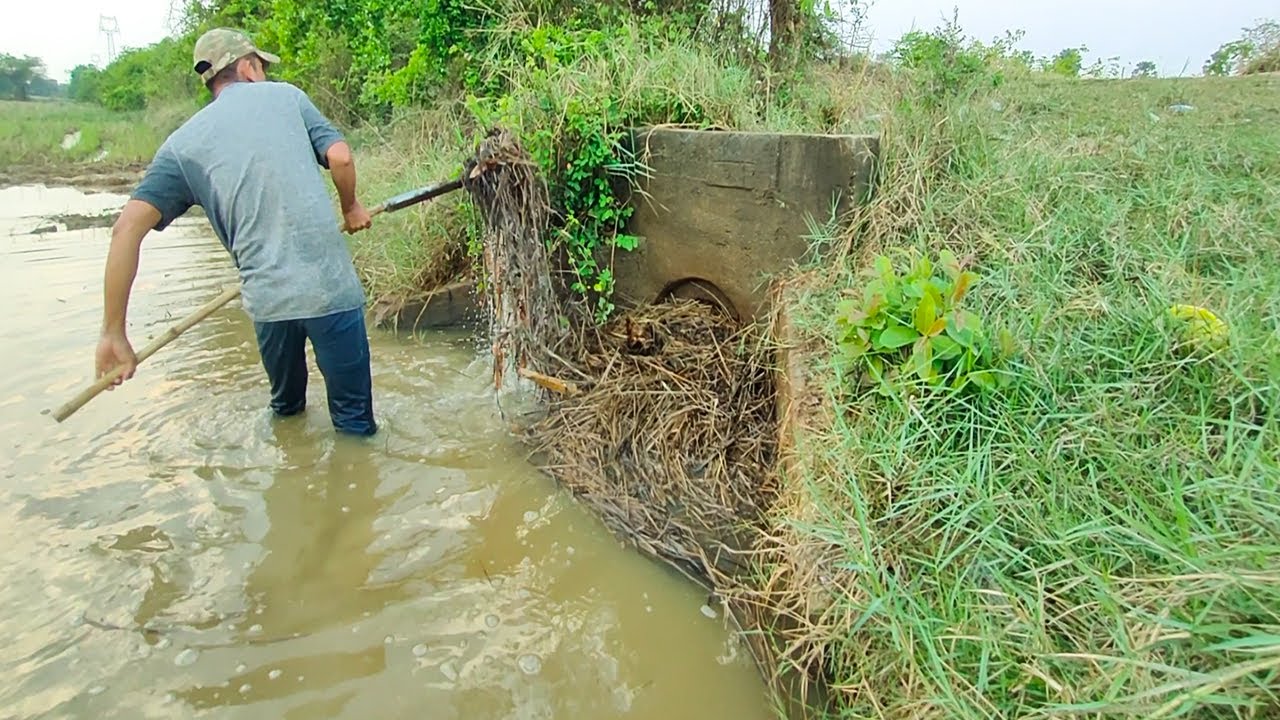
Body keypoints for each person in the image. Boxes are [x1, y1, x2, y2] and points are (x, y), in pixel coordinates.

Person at [94, 27, 379, 436]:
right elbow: (340, 157)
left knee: (287, 413)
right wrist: (351, 207)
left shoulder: (181, 145)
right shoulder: (288, 97)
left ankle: (290, 462)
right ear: (248, 67)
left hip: (268, 302)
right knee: (354, 425)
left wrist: (113, 332)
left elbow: (125, 229)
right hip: (330, 291)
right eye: (261, 67)